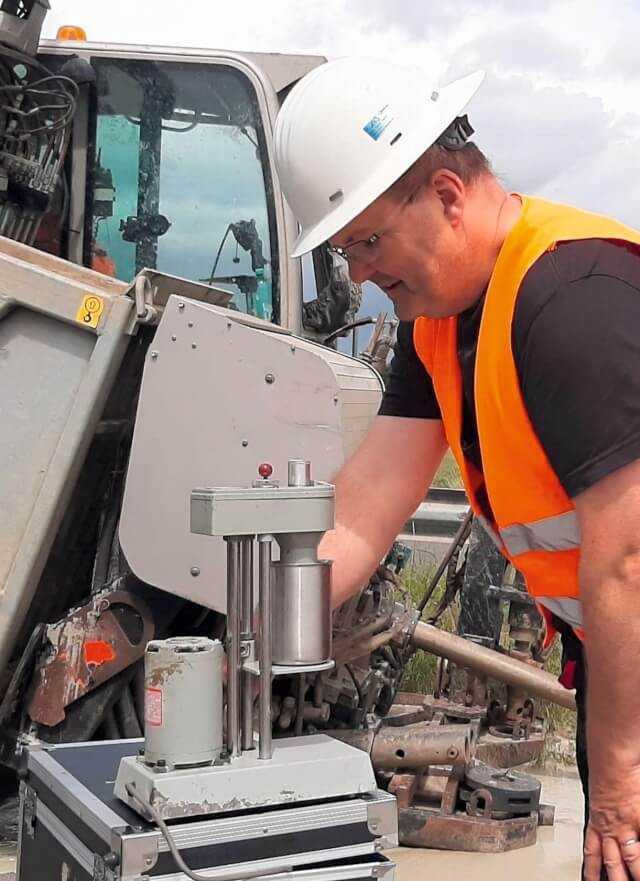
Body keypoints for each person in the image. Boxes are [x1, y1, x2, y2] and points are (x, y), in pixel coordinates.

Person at [273, 58, 640, 881]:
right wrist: (250, 627)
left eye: (367, 242)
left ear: (446, 195)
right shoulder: (439, 324)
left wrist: (618, 783)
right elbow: (363, 510)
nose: (359, 273)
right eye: (342, 254)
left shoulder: (573, 298)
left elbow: (629, 560)